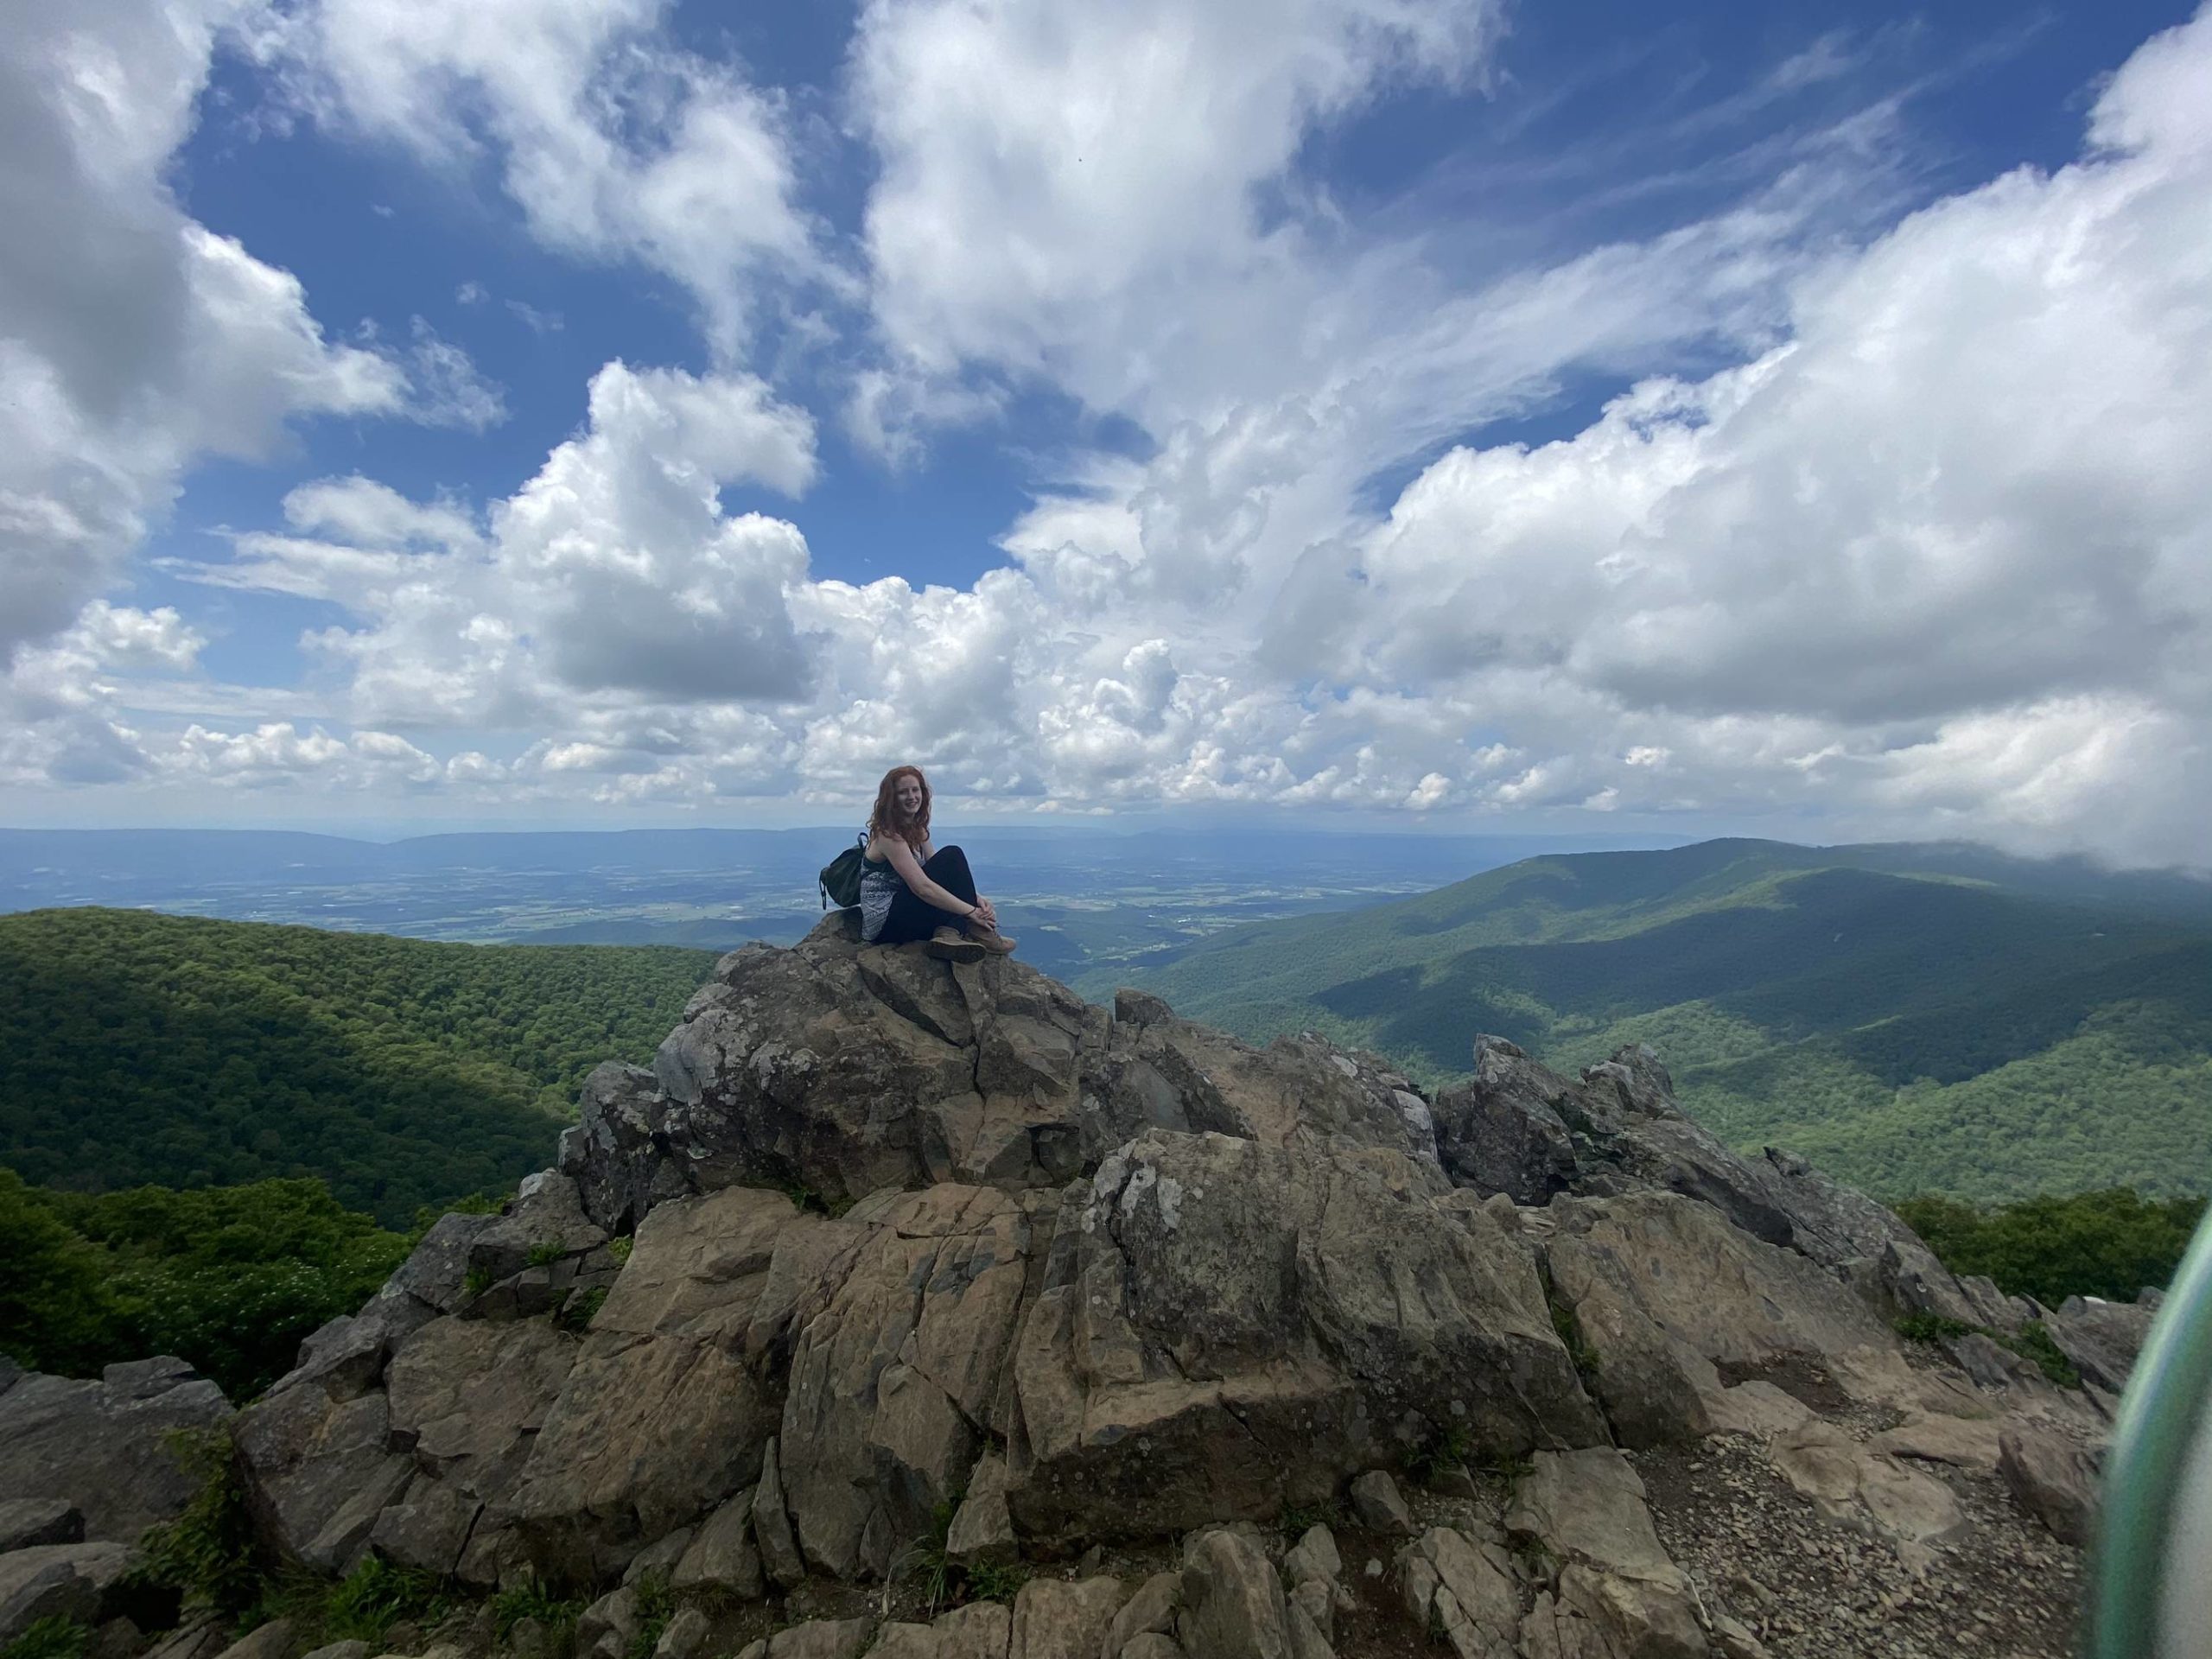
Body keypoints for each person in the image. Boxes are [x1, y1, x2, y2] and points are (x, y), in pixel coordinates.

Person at [857, 765, 1016, 963]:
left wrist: (976, 899)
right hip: (885, 924)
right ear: (891, 799)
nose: (911, 796)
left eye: (915, 790)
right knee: (952, 855)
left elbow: (942, 874)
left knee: (951, 862)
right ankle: (978, 933)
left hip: (905, 912)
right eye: (903, 792)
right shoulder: (888, 835)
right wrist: (972, 912)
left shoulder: (917, 829)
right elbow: (923, 888)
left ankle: (950, 934)